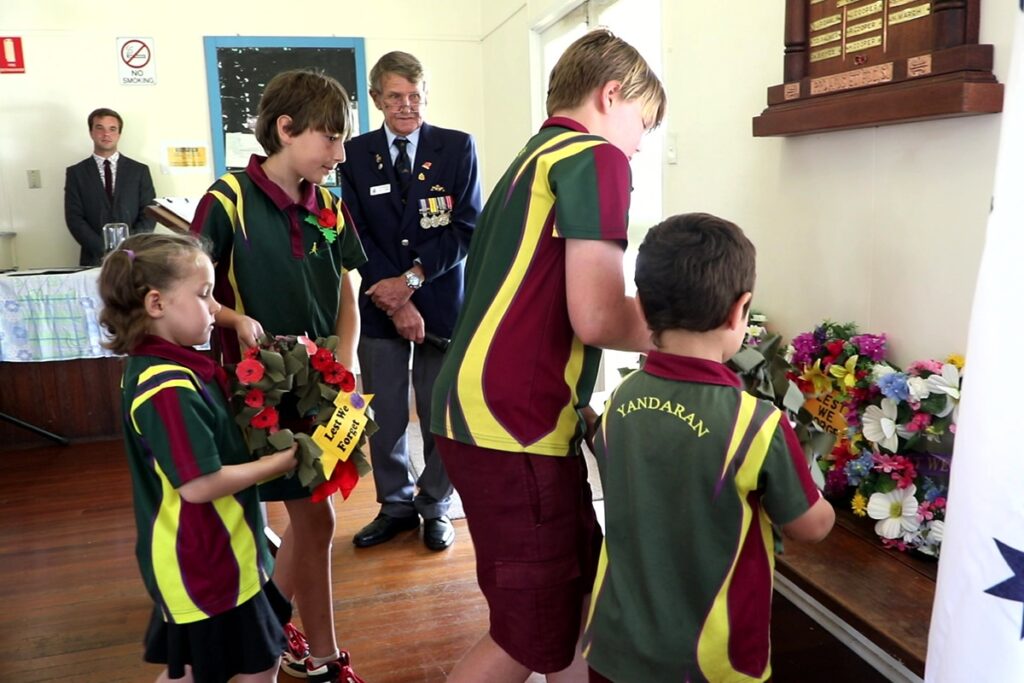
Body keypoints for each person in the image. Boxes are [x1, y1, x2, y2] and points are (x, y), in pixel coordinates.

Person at [429, 29, 666, 682]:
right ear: (610, 94)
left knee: (569, 601)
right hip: (515, 421)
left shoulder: (530, 158)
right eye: (642, 122)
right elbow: (596, 314)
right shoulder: (595, 159)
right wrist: (699, 329)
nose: (641, 142)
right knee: (527, 636)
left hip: (477, 408)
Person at [581, 213, 837, 683]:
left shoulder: (620, 400)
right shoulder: (755, 423)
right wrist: (825, 505)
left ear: (641, 306)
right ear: (740, 310)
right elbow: (809, 527)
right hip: (710, 662)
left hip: (616, 649)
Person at [190, 69, 367, 683]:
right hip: (253, 387)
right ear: (285, 130)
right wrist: (235, 318)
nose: (340, 154)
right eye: (331, 139)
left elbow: (350, 288)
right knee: (312, 519)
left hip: (322, 384)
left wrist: (347, 364)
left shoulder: (332, 206)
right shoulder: (229, 198)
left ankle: (310, 649)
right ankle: (273, 637)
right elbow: (193, 290)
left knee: (316, 517)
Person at [96, 232, 299, 683]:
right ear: (156, 304)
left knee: (201, 668)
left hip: (214, 552)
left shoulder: (168, 367)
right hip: (204, 560)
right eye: (204, 295)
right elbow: (199, 484)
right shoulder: (167, 387)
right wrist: (280, 463)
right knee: (257, 665)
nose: (213, 309)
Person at [340, 51, 482, 552]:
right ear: (377, 98)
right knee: (383, 414)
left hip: (441, 301)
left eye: (415, 96)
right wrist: (395, 298)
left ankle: (436, 504)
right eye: (396, 96)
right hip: (381, 304)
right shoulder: (354, 155)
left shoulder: (456, 147)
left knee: (437, 408)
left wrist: (414, 282)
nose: (407, 106)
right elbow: (352, 230)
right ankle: (395, 504)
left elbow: (465, 228)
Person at [65, 108, 156, 266]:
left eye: (112, 129)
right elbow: (74, 218)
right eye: (100, 128)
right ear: (91, 132)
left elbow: (149, 213)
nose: (106, 134)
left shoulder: (139, 171)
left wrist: (129, 247)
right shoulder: (76, 173)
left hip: (135, 258)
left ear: (119, 134)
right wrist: (103, 249)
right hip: (94, 258)